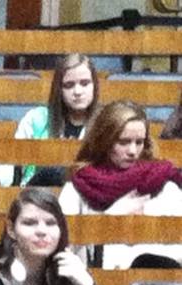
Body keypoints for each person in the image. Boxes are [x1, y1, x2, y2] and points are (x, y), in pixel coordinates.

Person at [60, 100, 182, 268]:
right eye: (123, 142)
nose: (132, 151)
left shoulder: (165, 185)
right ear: (104, 141)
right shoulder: (77, 188)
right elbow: (62, 250)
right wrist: (111, 219)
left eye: (139, 142)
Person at [0, 52, 98, 188]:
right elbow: (11, 161)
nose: (77, 91)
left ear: (94, 86)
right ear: (59, 89)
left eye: (84, 83)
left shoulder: (106, 123)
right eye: (69, 85)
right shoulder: (36, 118)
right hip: (36, 197)